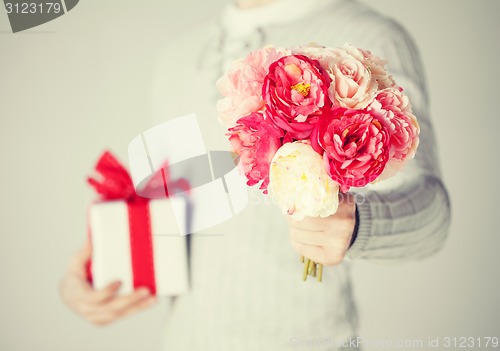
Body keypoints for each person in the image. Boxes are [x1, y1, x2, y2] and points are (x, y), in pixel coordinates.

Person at [60, 0, 451, 350]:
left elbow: (432, 217)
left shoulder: (369, 39)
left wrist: (359, 225)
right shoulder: (175, 57)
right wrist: (101, 271)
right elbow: (174, 212)